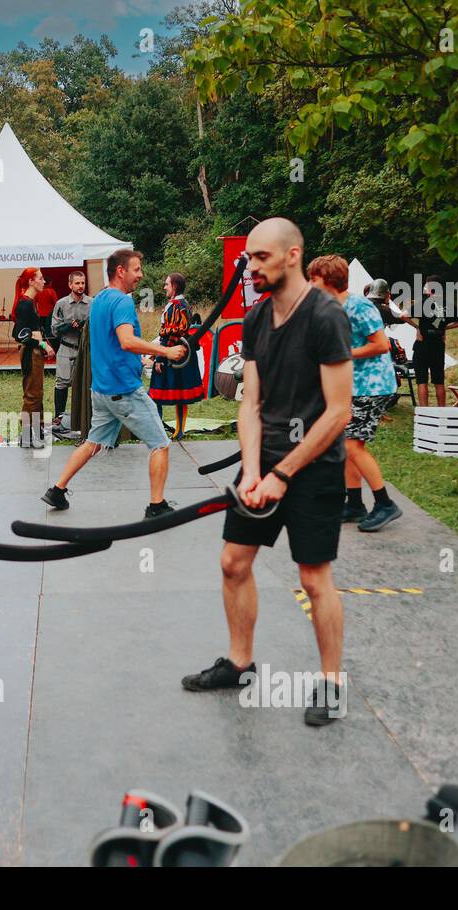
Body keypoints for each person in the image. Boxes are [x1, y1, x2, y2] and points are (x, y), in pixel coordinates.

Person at [181, 219, 353, 727]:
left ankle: (332, 683)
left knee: (314, 578)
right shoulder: (254, 321)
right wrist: (254, 471)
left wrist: (282, 475)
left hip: (315, 466)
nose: (250, 266)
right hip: (265, 461)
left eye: (260, 257)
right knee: (234, 562)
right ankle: (239, 664)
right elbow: (249, 402)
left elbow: (339, 412)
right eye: (248, 258)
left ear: (292, 255)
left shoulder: (325, 317)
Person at [40, 249, 186, 518]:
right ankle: (157, 506)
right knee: (161, 444)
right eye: (137, 269)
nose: (141, 274)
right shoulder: (121, 302)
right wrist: (166, 352)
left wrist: (141, 361)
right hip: (124, 390)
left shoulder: (99, 300)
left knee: (92, 442)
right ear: (121, 271)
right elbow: (126, 341)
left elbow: (111, 344)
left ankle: (57, 490)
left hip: (102, 390)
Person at [308, 255, 402, 532]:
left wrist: (343, 354)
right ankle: (354, 505)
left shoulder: (359, 305)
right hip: (351, 386)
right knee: (345, 445)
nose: (309, 284)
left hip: (373, 386)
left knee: (352, 446)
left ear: (328, 280)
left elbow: (382, 345)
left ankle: (385, 504)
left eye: (313, 278)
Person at [149, 273, 205, 440]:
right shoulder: (184, 304)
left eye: (167, 284)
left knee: (154, 393)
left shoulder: (175, 305)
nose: (165, 287)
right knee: (180, 394)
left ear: (174, 286)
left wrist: (159, 358)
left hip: (172, 354)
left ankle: (158, 431)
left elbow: (170, 334)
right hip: (182, 353)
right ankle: (178, 430)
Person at [407, 274, 458, 406]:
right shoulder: (448, 305)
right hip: (438, 346)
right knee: (439, 382)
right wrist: (446, 328)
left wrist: (417, 327)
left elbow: (403, 316)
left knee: (422, 381)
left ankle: (424, 413)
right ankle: (442, 412)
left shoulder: (423, 303)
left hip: (422, 345)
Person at [12, 268, 54, 449]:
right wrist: (42, 345)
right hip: (31, 352)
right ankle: (27, 435)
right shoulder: (25, 304)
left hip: (34, 351)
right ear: (31, 281)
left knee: (37, 393)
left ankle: (36, 431)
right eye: (41, 278)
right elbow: (18, 334)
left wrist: (42, 343)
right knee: (32, 394)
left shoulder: (30, 302)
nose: (44, 281)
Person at [50, 271, 91, 433]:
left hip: (84, 348)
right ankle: (58, 417)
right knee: (62, 382)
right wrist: (69, 326)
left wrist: (84, 326)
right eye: (77, 283)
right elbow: (54, 329)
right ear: (70, 285)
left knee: (83, 383)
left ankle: (81, 417)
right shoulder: (62, 304)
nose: (80, 286)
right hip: (67, 347)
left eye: (83, 283)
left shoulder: (92, 303)